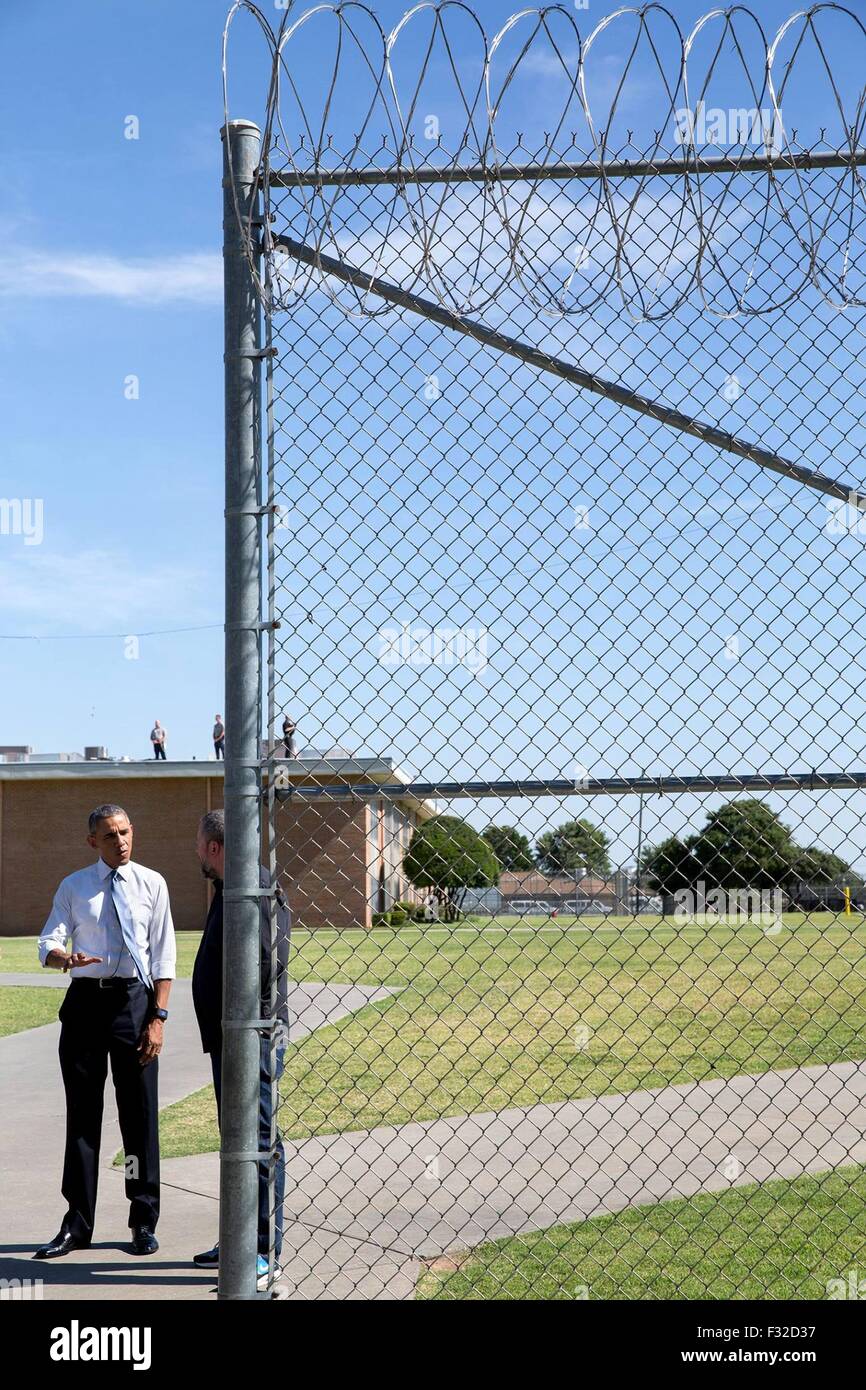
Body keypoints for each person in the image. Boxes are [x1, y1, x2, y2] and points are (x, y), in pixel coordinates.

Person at [34, 804, 176, 1259]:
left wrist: (158, 1017)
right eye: (110, 835)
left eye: (126, 831)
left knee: (138, 1119)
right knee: (82, 1117)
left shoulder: (153, 884)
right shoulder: (74, 887)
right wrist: (64, 958)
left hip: (133, 1005)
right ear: (92, 841)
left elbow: (164, 957)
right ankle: (77, 1223)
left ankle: (142, 1217)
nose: (121, 841)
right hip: (84, 1007)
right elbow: (48, 940)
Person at [190, 809, 290, 1286]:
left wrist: (251, 1031)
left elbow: (265, 964)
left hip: (251, 1040)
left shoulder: (254, 885)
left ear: (214, 847)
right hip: (233, 1039)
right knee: (238, 1142)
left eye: (199, 846)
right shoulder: (232, 884)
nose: (196, 855)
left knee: (257, 1140)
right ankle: (238, 1238)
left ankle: (260, 1251)